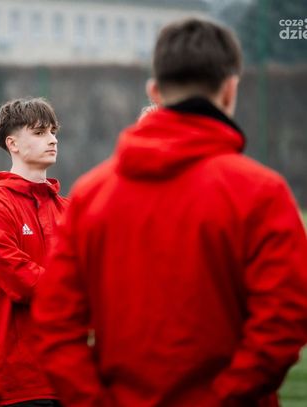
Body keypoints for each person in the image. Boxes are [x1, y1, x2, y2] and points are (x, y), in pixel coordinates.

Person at [32, 18, 307, 407]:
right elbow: (283, 321)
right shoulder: (262, 193)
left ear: (155, 92)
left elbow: (54, 322)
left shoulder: (91, 196)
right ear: (231, 89)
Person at [0, 98, 68, 406]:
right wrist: (75, 292)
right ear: (12, 144)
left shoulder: (68, 210)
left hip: (70, 375)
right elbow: (20, 278)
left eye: (53, 132)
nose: (52, 140)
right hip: (20, 379)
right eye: (40, 133)